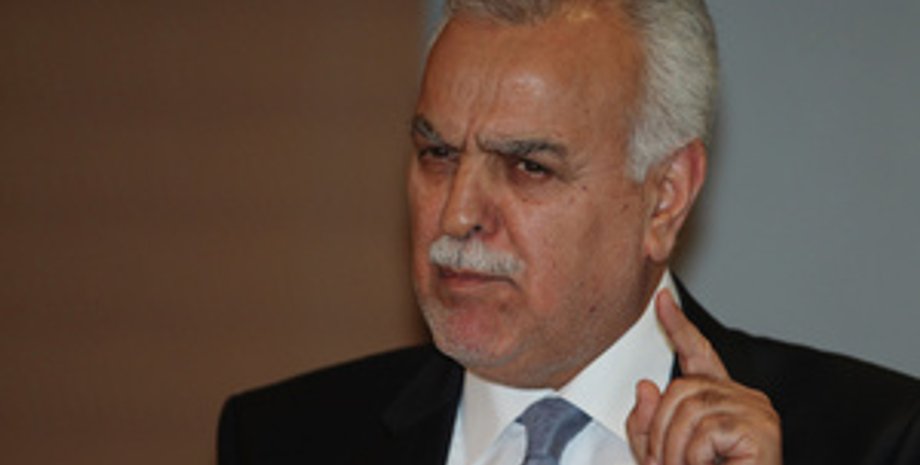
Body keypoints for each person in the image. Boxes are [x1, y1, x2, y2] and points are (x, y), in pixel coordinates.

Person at [217, 1, 920, 464]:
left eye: (528, 166)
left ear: (665, 198)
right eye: (438, 154)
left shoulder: (875, 441)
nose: (456, 214)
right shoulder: (283, 440)